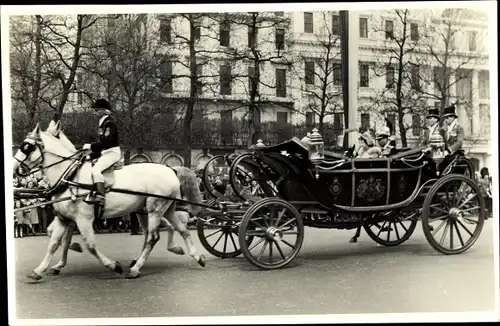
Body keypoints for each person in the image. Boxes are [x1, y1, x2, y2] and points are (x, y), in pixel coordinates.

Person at [83, 99, 121, 212]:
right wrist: (91, 156)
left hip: (112, 153)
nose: (95, 112)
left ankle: (100, 196)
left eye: (97, 110)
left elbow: (106, 143)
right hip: (105, 153)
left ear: (103, 111)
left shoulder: (109, 123)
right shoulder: (103, 123)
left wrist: (90, 146)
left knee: (95, 171)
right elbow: (102, 147)